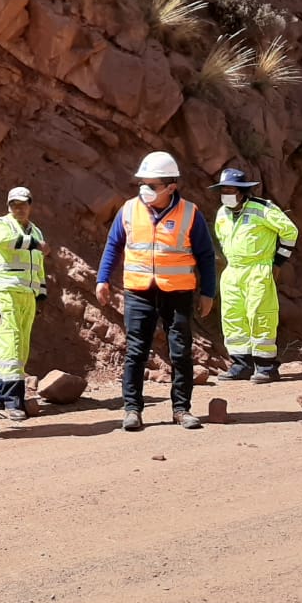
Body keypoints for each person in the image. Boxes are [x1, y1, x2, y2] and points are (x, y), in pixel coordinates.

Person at [94, 152, 217, 431]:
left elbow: (206, 255)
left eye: (152, 185)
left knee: (180, 352)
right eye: (142, 183)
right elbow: (113, 245)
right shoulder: (128, 209)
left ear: (171, 187)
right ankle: (132, 410)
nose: (145, 190)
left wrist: (208, 292)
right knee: (136, 351)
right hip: (139, 292)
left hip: (178, 292)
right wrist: (103, 279)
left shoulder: (189, 213)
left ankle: (181, 409)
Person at [210, 168, 299, 383]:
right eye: (224, 190)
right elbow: (222, 238)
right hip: (233, 271)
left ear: (242, 192)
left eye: (231, 190)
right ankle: (242, 364)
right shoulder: (222, 213)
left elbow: (290, 232)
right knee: (233, 317)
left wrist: (278, 261)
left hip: (258, 270)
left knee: (261, 314)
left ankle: (266, 366)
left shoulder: (262, 209)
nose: (227, 194)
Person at [0, 186, 51, 420]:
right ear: (8, 206)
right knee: (10, 342)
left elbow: (38, 266)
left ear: (30, 205)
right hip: (6, 290)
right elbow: (5, 241)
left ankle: (3, 397)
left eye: (23, 204)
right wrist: (34, 244)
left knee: (21, 346)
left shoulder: (36, 231)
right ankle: (13, 401)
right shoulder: (1, 225)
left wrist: (41, 293)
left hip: (27, 294)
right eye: (14, 204)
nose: (18, 208)